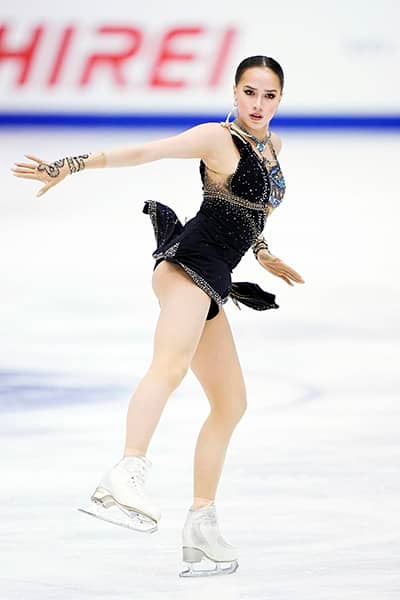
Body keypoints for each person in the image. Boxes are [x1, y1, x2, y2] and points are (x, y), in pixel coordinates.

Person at [11, 55, 305, 577]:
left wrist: (261, 251)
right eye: (249, 92)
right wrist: (70, 164)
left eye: (269, 95)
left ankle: (201, 525)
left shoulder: (273, 147)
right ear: (234, 92)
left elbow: (248, 209)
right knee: (169, 367)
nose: (258, 104)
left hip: (214, 278)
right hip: (187, 265)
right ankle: (125, 474)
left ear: (280, 99)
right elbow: (147, 152)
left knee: (231, 404)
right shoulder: (217, 138)